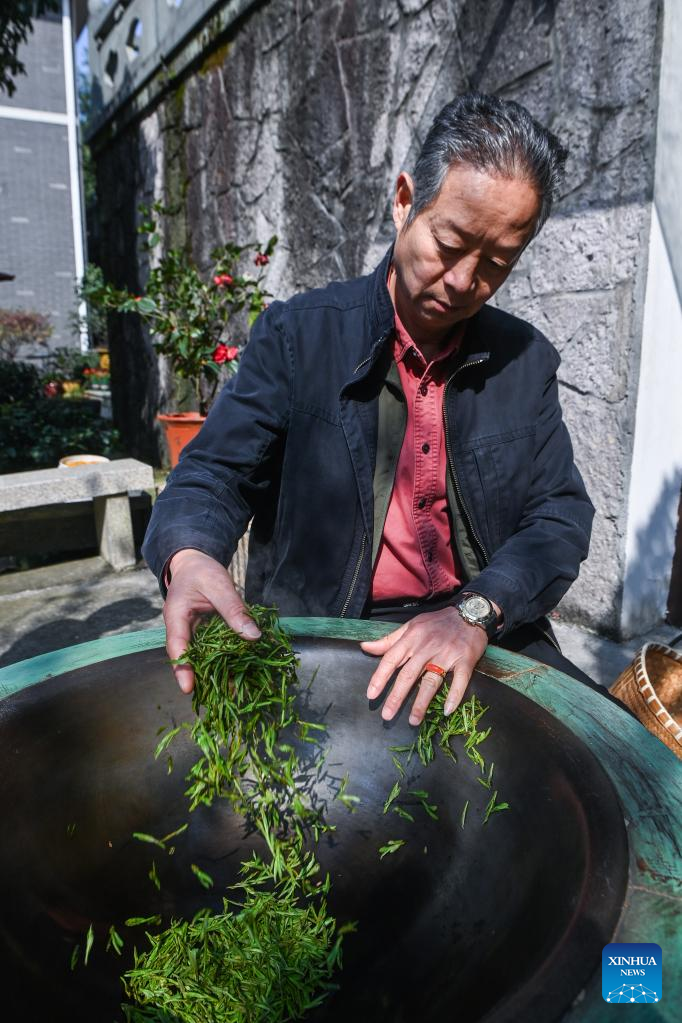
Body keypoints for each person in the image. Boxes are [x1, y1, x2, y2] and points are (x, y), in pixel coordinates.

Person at [143, 92, 604, 725]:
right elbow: (212, 475)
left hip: (477, 625)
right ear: (405, 201)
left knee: (620, 764)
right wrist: (189, 555)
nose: (465, 282)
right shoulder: (296, 337)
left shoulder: (526, 363)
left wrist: (476, 611)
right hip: (330, 630)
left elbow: (558, 516)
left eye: (497, 263)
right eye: (450, 243)